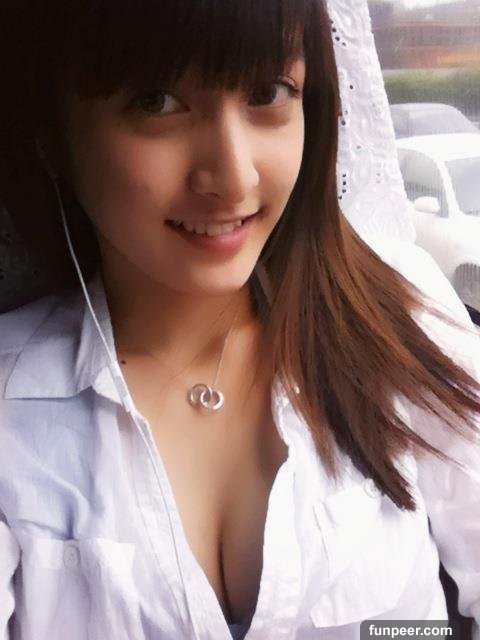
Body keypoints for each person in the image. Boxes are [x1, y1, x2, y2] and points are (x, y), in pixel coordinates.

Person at [0, 1, 479, 639]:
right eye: (156, 102)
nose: (234, 176)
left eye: (268, 92)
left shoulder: (399, 317)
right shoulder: (14, 409)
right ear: (53, 138)